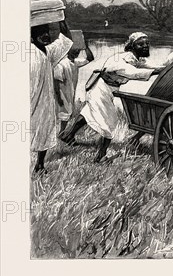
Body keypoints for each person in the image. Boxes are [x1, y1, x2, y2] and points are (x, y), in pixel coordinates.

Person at [59, 32, 164, 163]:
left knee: (87, 113)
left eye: (147, 43)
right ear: (131, 46)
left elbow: (151, 65)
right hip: (100, 88)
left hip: (105, 88)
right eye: (140, 44)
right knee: (110, 122)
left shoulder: (137, 59)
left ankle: (68, 135)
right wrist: (157, 71)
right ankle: (100, 156)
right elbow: (133, 73)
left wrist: (164, 68)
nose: (145, 46)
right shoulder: (121, 60)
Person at [31, 20, 73, 173]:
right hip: (29, 99)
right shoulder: (27, 51)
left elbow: (65, 40)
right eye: (41, 33)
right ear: (32, 36)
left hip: (44, 101)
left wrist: (62, 20)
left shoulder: (48, 52)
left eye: (47, 32)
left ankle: (40, 165)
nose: (46, 35)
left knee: (44, 130)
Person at [53, 39, 95, 132]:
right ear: (68, 50)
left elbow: (90, 58)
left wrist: (85, 46)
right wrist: (59, 98)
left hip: (69, 94)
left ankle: (61, 133)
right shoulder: (61, 64)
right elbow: (56, 82)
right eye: (74, 50)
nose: (77, 52)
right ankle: (60, 133)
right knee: (63, 114)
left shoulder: (75, 63)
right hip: (62, 94)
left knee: (67, 114)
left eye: (78, 51)